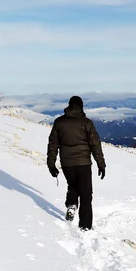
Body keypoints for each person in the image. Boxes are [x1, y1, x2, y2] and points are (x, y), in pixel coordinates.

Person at [47, 96, 106, 230]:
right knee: (85, 194)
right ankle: (85, 227)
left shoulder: (59, 122)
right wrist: (101, 164)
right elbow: (95, 145)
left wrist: (51, 164)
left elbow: (52, 144)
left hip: (67, 163)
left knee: (72, 185)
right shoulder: (86, 123)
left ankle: (72, 205)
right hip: (83, 163)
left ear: (69, 105)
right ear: (81, 106)